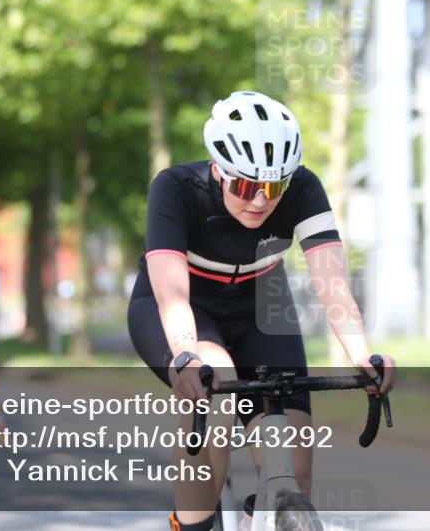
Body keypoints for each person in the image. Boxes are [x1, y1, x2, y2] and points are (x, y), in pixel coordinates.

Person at [127, 91, 396, 531]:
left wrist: (363, 355)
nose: (260, 200)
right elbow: (173, 292)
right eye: (247, 185)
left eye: (274, 187)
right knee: (217, 380)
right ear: (218, 168)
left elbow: (331, 283)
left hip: (260, 310)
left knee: (293, 462)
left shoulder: (305, 188)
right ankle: (192, 524)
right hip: (185, 310)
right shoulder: (175, 189)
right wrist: (185, 355)